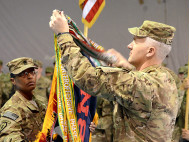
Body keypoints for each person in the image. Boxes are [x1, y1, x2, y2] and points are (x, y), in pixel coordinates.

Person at [49, 10, 179, 141]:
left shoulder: (142, 84)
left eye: (135, 41)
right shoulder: (166, 78)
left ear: (150, 51)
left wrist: (63, 35)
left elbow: (87, 77)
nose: (129, 46)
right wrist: (125, 67)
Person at [0, 57, 46, 141]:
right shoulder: (12, 109)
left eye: (32, 72)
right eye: (24, 74)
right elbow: (9, 137)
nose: (30, 77)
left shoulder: (41, 101)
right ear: (13, 80)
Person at [172, 64, 189, 142]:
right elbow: (171, 111)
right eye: (188, 80)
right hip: (178, 137)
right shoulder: (180, 94)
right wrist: (182, 89)